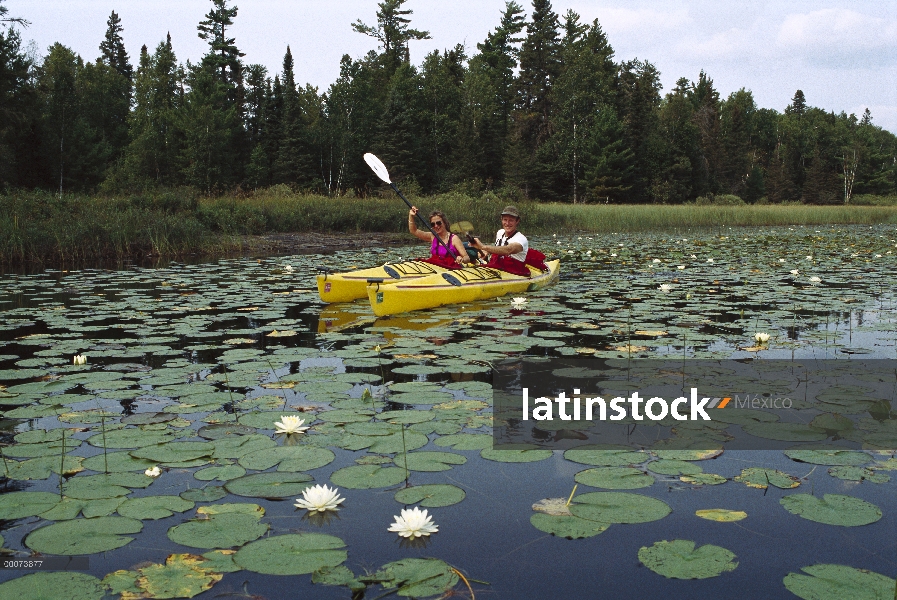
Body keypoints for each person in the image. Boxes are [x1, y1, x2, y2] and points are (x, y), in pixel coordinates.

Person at [470, 205, 531, 276]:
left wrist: (483, 247)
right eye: (505, 220)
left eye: (511, 220)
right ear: (501, 219)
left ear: (517, 221)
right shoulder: (500, 232)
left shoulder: (521, 239)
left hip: (514, 272)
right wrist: (487, 251)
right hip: (497, 268)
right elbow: (498, 249)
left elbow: (508, 250)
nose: (507, 223)